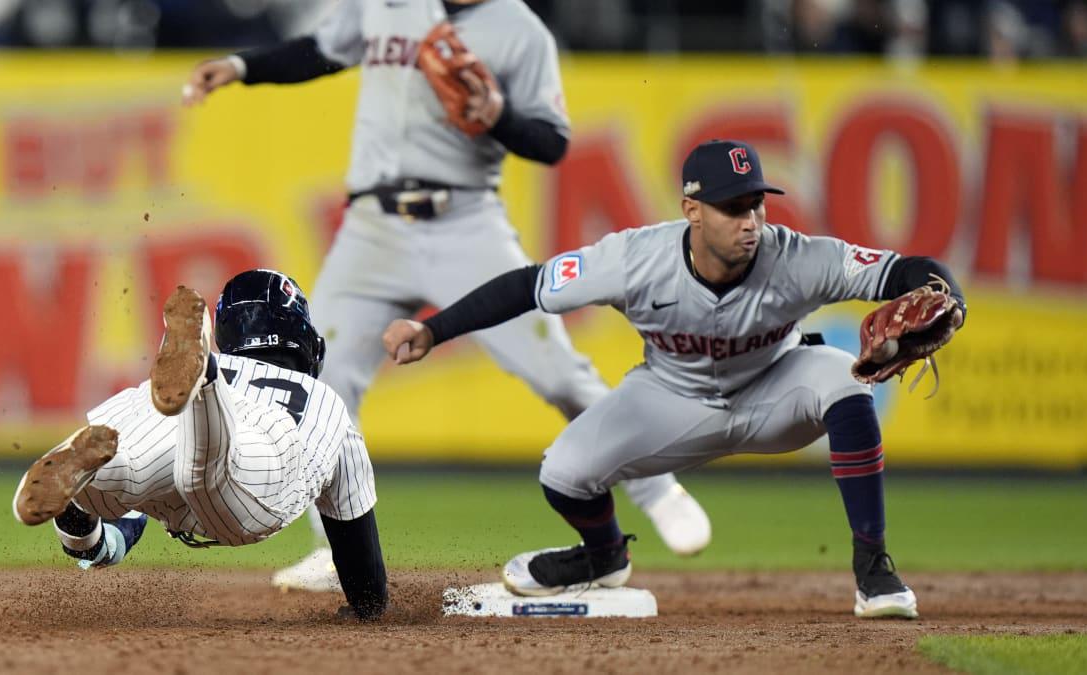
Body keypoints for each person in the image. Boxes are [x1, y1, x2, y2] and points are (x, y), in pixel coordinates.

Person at [181, 0, 711, 592]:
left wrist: (500, 116)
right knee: (321, 385)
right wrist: (240, 65)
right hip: (372, 228)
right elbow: (319, 52)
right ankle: (337, 552)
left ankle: (659, 491)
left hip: (465, 221)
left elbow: (551, 141)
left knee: (558, 373)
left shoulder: (518, 29)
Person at [381, 139, 968, 618]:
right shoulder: (634, 259)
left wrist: (950, 297)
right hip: (672, 395)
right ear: (692, 210)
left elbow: (908, 271)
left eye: (757, 204)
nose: (752, 221)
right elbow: (526, 286)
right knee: (563, 470)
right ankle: (603, 556)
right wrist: (434, 330)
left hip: (775, 388)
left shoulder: (797, 256)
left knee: (845, 381)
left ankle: (874, 569)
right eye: (734, 208)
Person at [11, 270, 387, 620]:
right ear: (302, 336)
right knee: (211, 473)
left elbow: (111, 534)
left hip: (164, 427)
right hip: (263, 443)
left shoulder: (167, 388)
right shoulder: (324, 399)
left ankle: (121, 454)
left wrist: (86, 544)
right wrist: (367, 604)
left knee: (126, 467)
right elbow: (364, 573)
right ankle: (205, 382)